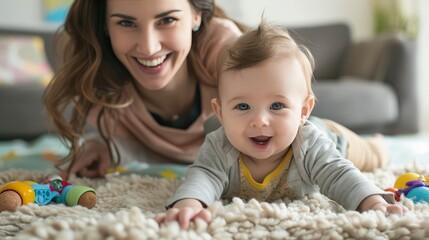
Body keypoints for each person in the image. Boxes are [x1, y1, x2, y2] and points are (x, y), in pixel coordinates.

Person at [44, 0, 386, 179]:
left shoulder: (221, 47)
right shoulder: (99, 81)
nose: (148, 47)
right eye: (126, 23)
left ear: (195, 16)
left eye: (167, 20)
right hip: (212, 161)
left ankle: (376, 147)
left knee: (328, 148)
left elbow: (280, 100)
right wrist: (102, 145)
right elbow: (144, 147)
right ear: (104, 26)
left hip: (297, 139)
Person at [155, 19, 406, 229]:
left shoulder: (310, 144)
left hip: (333, 138)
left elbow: (339, 174)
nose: (259, 121)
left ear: (303, 110)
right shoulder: (219, 147)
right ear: (220, 113)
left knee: (372, 156)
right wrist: (188, 205)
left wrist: (373, 203)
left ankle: (377, 143)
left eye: (276, 106)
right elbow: (203, 177)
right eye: (243, 107)